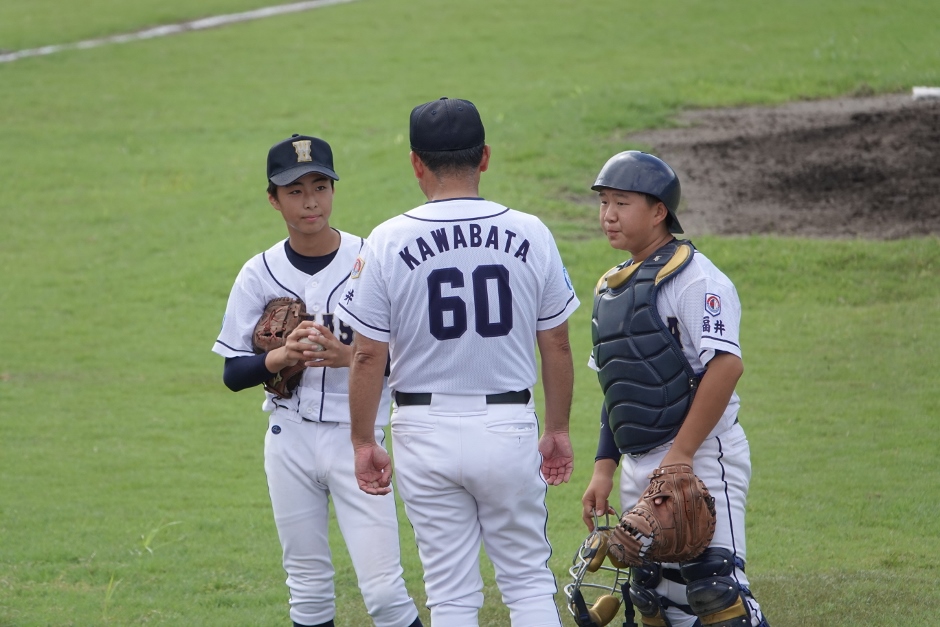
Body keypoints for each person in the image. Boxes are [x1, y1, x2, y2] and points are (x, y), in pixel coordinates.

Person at [334, 97, 580, 627]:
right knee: (527, 582)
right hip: (508, 426)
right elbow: (557, 345)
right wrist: (558, 428)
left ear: (415, 163)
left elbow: (368, 354)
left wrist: (362, 441)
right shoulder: (531, 231)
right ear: (484, 156)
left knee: (449, 594)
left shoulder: (386, 239)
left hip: (422, 430)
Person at [211, 134, 423, 627]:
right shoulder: (258, 273)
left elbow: (417, 362)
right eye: (295, 191)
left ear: (333, 190)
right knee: (306, 591)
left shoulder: (373, 260)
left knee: (385, 594)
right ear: (273, 199)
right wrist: (280, 356)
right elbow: (232, 374)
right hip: (289, 437)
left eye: (320, 187)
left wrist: (351, 358)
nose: (310, 202)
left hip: (358, 439)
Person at [580, 151, 770, 627]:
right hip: (640, 464)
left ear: (658, 211)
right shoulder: (609, 290)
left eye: (621, 203)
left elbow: (726, 367)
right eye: (604, 202)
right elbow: (618, 387)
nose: (608, 215)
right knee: (655, 600)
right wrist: (604, 468)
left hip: (701, 456)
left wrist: (682, 454)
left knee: (715, 592)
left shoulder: (696, 279)